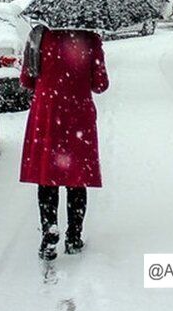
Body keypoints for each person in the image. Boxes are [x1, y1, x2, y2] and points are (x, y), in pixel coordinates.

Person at [19, 25, 109, 260]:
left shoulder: (39, 36)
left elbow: (27, 80)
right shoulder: (90, 39)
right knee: (76, 176)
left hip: (47, 113)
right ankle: (74, 237)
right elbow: (100, 85)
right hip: (78, 115)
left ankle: (49, 230)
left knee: (47, 175)